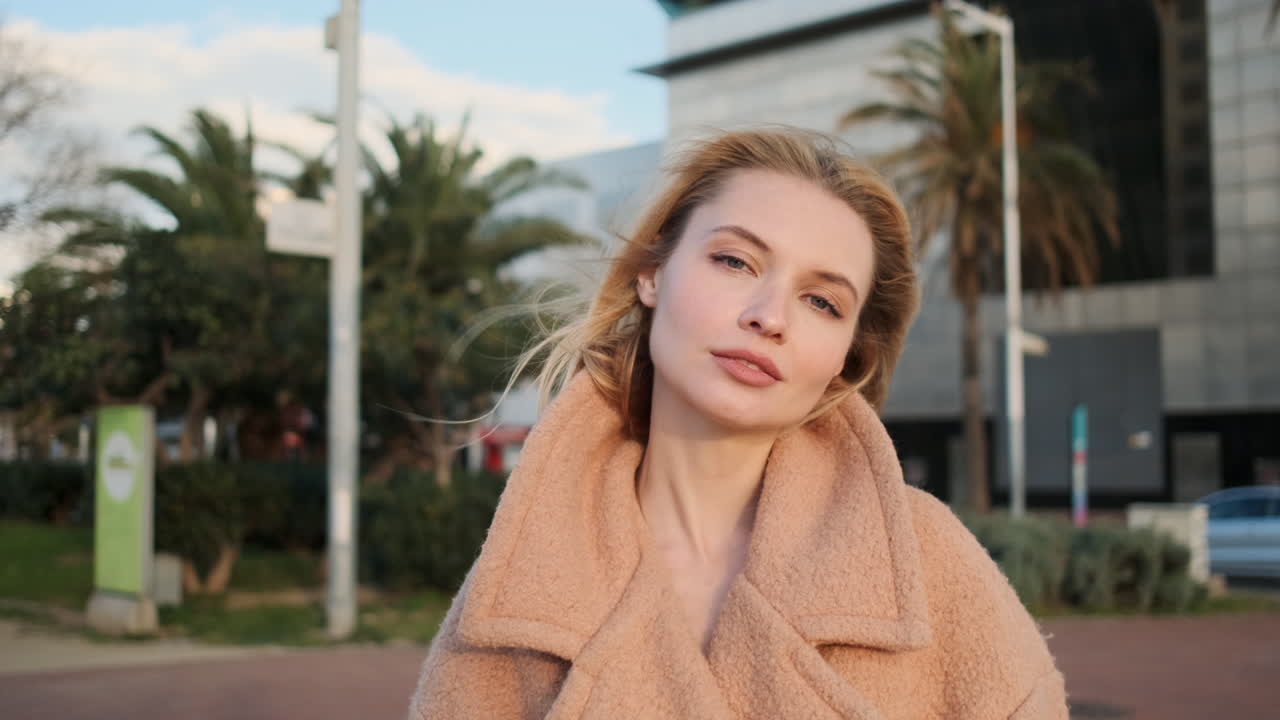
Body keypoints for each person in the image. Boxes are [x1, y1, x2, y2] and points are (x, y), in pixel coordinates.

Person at [407, 128, 1068, 719]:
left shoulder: (929, 566)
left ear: (846, 356)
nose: (769, 316)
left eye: (822, 301)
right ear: (652, 274)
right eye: (734, 261)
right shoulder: (521, 588)